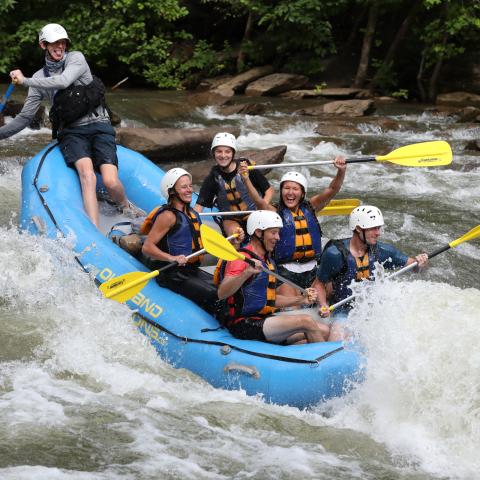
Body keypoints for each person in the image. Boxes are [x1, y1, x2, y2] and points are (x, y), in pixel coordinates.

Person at [0, 23, 143, 227]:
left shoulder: (76, 58)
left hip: (99, 125)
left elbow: (64, 81)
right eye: (54, 43)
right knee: (87, 176)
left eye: (62, 43)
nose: (59, 47)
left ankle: (126, 207)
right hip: (72, 133)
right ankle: (95, 230)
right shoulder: (39, 79)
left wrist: (25, 81)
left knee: (111, 182)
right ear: (43, 45)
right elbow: (24, 118)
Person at [238, 157, 346, 299]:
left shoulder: (311, 206)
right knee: (293, 304)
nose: (290, 192)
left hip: (313, 268)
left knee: (334, 289)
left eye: (295, 189)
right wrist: (246, 179)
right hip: (285, 270)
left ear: (302, 193)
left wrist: (341, 171)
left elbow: (332, 189)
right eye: (286, 188)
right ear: (281, 191)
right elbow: (258, 201)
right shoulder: (275, 212)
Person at [316, 205, 428, 340]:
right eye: (373, 228)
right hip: (344, 312)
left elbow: (414, 267)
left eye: (378, 228)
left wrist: (421, 262)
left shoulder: (382, 251)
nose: (378, 233)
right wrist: (322, 304)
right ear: (358, 228)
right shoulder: (334, 253)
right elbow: (319, 284)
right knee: (335, 339)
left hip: (374, 311)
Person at [216, 210, 329, 344]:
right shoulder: (242, 259)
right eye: (273, 232)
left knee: (324, 330)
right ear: (259, 232)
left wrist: (301, 299)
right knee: (307, 321)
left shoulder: (268, 261)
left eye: (278, 233)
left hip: (265, 320)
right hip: (244, 324)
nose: (278, 238)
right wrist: (245, 273)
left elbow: (271, 300)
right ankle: (327, 364)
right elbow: (222, 293)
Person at [141, 167, 243, 314]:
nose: (189, 190)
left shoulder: (192, 214)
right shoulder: (168, 216)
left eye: (190, 186)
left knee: (227, 290)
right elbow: (147, 247)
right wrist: (171, 258)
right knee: (215, 295)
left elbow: (204, 243)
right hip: (171, 273)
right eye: (184, 187)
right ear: (171, 192)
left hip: (190, 269)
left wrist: (234, 241)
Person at [194, 132, 274, 243]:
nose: (223, 155)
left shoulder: (246, 168)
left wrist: (262, 208)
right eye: (218, 151)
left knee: (271, 217)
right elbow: (198, 208)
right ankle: (235, 257)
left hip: (254, 212)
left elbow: (269, 191)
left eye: (227, 151)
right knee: (235, 235)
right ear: (213, 153)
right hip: (231, 219)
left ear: (233, 153)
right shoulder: (212, 179)